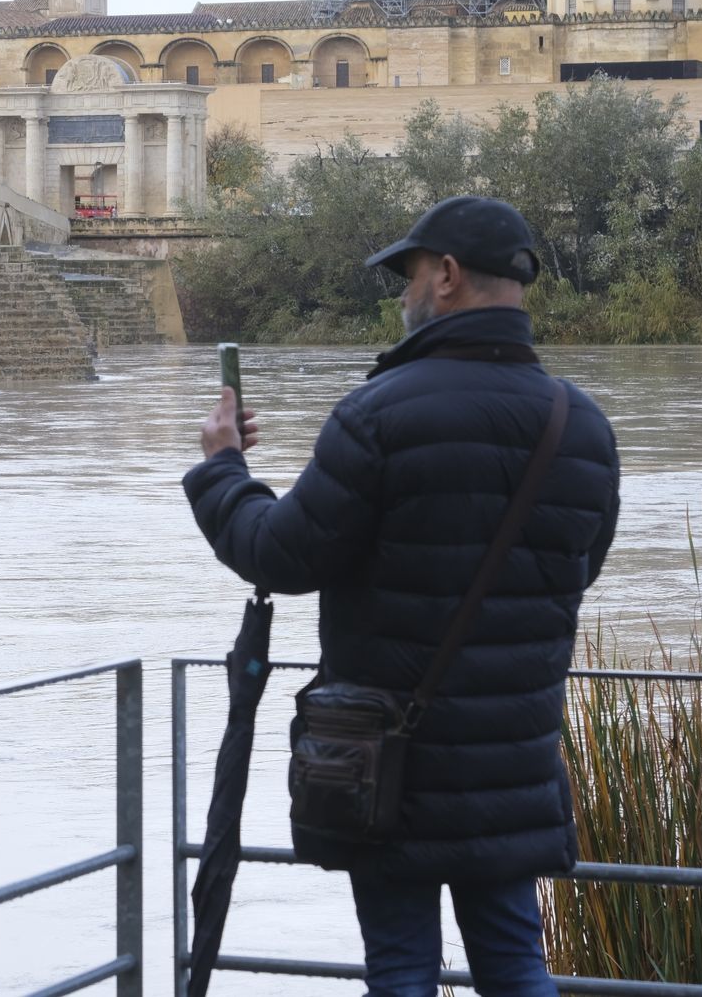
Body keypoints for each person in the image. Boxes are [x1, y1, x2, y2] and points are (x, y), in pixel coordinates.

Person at [183, 196, 622, 996]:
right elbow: (575, 572)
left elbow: (279, 555)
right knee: (518, 965)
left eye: (410, 275)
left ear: (447, 276)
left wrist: (223, 471)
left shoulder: (380, 413)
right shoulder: (581, 425)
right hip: (512, 762)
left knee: (401, 970)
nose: (403, 294)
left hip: (386, 762)